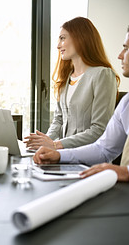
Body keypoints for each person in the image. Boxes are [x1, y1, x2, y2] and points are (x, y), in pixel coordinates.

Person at [34, 18, 129, 185]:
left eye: (125, 48)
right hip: (125, 188)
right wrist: (55, 152)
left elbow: (98, 130)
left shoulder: (102, 75)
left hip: (124, 182)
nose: (119, 55)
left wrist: (126, 171)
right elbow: (103, 148)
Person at [24, 17, 120, 150]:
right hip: (64, 156)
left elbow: (99, 130)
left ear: (80, 38)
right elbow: (58, 120)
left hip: (88, 160)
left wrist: (55, 145)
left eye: (63, 38)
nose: (58, 45)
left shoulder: (102, 75)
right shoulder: (66, 77)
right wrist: (43, 143)